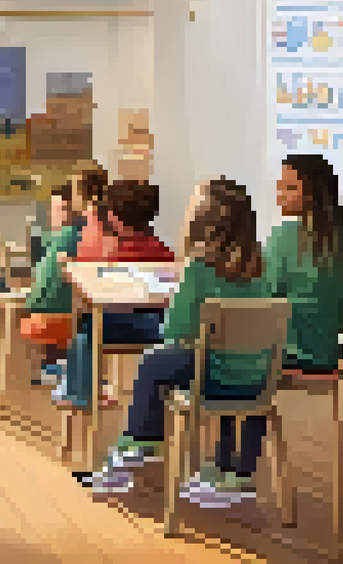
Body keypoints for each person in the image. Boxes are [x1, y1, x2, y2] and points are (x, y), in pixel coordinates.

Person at [86, 178, 272, 506]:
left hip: (213, 378)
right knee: (203, 362)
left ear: (202, 218)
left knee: (155, 360)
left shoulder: (199, 267)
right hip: (257, 378)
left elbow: (175, 331)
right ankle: (232, 474)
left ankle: (140, 442)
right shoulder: (262, 266)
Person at [55, 179, 174, 410]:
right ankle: (79, 389)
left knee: (86, 326)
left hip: (124, 326)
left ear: (113, 218)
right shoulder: (164, 251)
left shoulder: (118, 255)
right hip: (160, 327)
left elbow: (104, 299)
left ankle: (78, 393)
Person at [266, 154, 343, 375]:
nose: (280, 195)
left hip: (287, 356)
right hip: (327, 356)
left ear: (312, 194)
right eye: (279, 187)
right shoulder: (342, 241)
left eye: (290, 188)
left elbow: (265, 299)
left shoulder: (283, 235)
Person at [20, 182, 81, 385]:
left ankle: (55, 367)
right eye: (54, 209)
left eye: (61, 209)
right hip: (56, 316)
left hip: (44, 315)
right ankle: (62, 367)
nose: (55, 215)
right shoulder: (73, 236)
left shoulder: (64, 238)